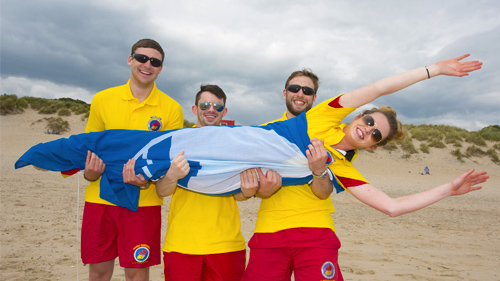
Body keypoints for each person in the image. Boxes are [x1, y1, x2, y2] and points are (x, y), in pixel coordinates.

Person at [242, 54, 486, 281]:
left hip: (316, 236)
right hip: (268, 233)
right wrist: (434, 69)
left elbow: (392, 207)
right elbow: (378, 89)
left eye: (376, 134)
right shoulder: (320, 116)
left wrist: (448, 190)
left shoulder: (343, 168)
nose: (368, 129)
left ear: (372, 146)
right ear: (356, 117)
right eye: (368, 121)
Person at [148, 84, 281, 281]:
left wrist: (248, 191)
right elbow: (161, 190)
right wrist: (171, 175)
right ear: (195, 109)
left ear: (224, 112)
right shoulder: (177, 141)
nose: (211, 110)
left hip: (226, 245)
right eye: (205, 105)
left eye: (217, 107)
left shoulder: (235, 145)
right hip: (182, 244)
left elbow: (237, 194)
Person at [82, 39, 184, 281]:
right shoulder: (102, 99)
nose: (147, 65)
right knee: (98, 272)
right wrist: (91, 173)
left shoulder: (171, 109)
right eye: (141, 58)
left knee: (137, 273)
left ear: (160, 68)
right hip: (100, 199)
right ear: (130, 60)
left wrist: (145, 182)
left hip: (144, 203)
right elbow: (87, 157)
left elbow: (166, 163)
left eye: (155, 61)